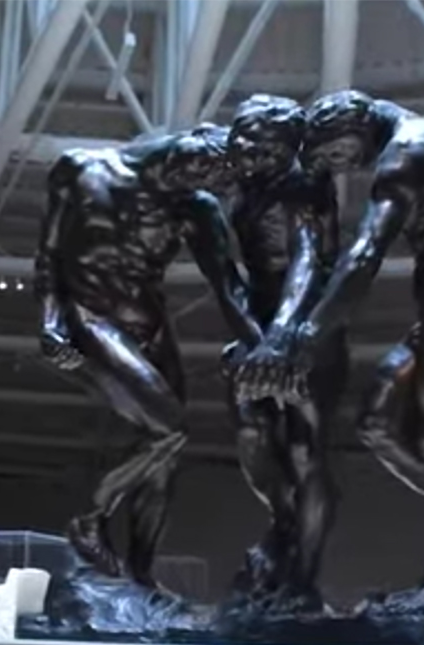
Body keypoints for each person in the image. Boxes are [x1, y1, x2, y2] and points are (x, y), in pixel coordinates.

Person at [235, 89, 424, 609]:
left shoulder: (401, 155)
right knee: (377, 420)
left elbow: (364, 255)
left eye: (337, 154)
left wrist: (305, 335)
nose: (343, 167)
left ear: (353, 128)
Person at [34, 123, 258, 587]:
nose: (201, 175)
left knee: (166, 459)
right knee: (169, 429)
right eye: (207, 161)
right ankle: (90, 516)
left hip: (153, 330)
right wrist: (50, 321)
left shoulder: (195, 208)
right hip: (92, 319)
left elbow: (228, 286)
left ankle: (141, 576)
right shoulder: (81, 167)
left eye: (214, 176)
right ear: (198, 133)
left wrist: (263, 343)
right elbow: (50, 255)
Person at [220, 94, 346, 608]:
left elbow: (308, 262)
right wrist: (253, 335)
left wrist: (282, 336)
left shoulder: (305, 185)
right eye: (244, 140)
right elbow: (241, 273)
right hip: (261, 327)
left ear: (286, 147)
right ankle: (286, 523)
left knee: (304, 450)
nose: (248, 152)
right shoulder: (243, 189)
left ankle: (303, 578)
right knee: (250, 430)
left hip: (309, 329)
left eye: (262, 145)